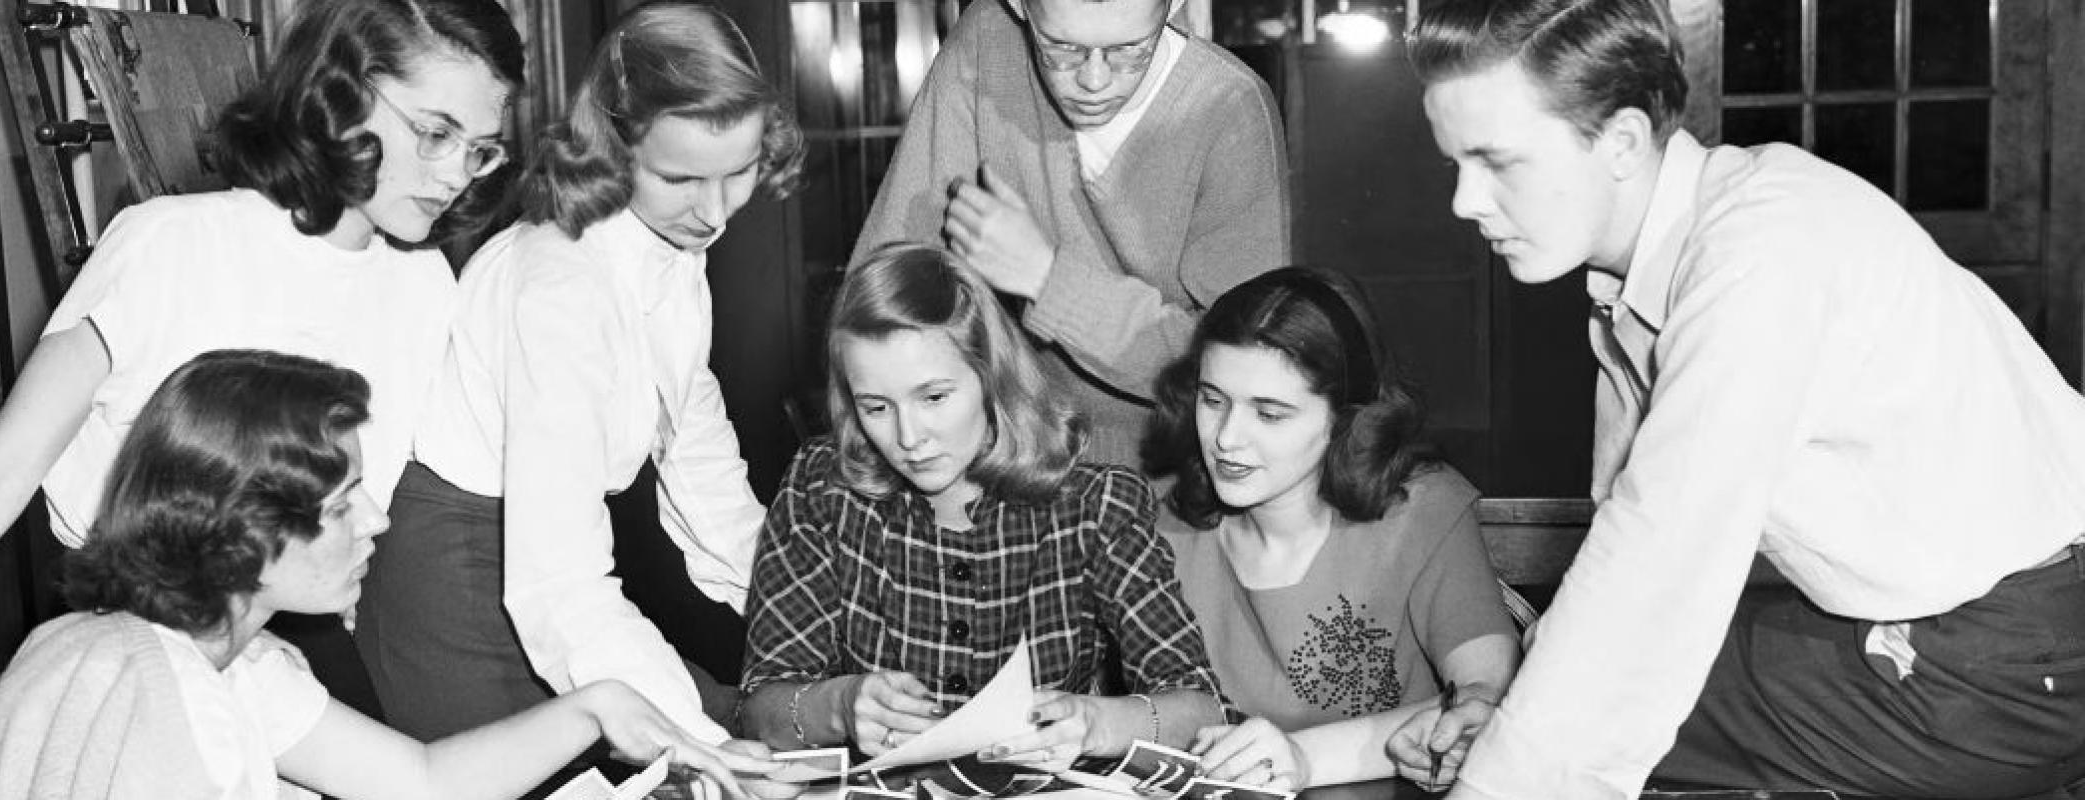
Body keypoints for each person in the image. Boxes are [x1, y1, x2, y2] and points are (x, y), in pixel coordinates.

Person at [0, 0, 524, 757]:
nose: (454, 175)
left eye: (480, 149)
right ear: (337, 97)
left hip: (287, 647)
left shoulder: (424, 286)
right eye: (435, 133)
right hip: (131, 649)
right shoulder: (174, 244)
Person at [1408, 1, 2085, 798]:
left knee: (1590, 732)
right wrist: (1517, 714)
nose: (1464, 201)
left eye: (1496, 161)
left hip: (2013, 661)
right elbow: (1627, 544)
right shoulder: (1666, 260)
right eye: (1456, 164)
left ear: (1622, 141)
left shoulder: (1761, 254)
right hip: (1962, 624)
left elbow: (1656, 565)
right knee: (1562, 712)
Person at [0, 350, 775, 800]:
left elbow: (422, 784)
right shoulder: (143, 684)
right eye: (344, 505)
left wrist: (598, 708)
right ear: (249, 526)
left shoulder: (239, 665)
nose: (376, 520)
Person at [354, 0, 804, 746]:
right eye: (682, 177)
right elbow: (555, 584)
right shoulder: (561, 286)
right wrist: (703, 749)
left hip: (551, 558)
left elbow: (701, 469)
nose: (716, 212)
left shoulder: (670, 253)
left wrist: (810, 608)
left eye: (740, 172)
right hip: (455, 583)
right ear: (615, 143)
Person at [737, 243, 1224, 779]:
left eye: (934, 398)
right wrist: (839, 705)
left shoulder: (1094, 505)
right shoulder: (821, 489)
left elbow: (1201, 710)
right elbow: (758, 710)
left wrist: (1096, 721)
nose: (908, 437)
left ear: (991, 375)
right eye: (876, 406)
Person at [848, 0, 1293, 466]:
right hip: (1005, 454)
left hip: (1172, 469)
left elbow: (1248, 369)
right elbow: (879, 294)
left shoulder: (1230, 110)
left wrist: (1047, 279)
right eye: (1060, 49)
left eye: (1129, 51)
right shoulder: (987, 41)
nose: (1094, 81)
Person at [1146, 267, 1520, 800]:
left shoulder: (1422, 510)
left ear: (1347, 419)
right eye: (1212, 400)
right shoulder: (1166, 529)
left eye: (1270, 414)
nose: (1227, 438)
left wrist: (1307, 758)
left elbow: (1488, 696)